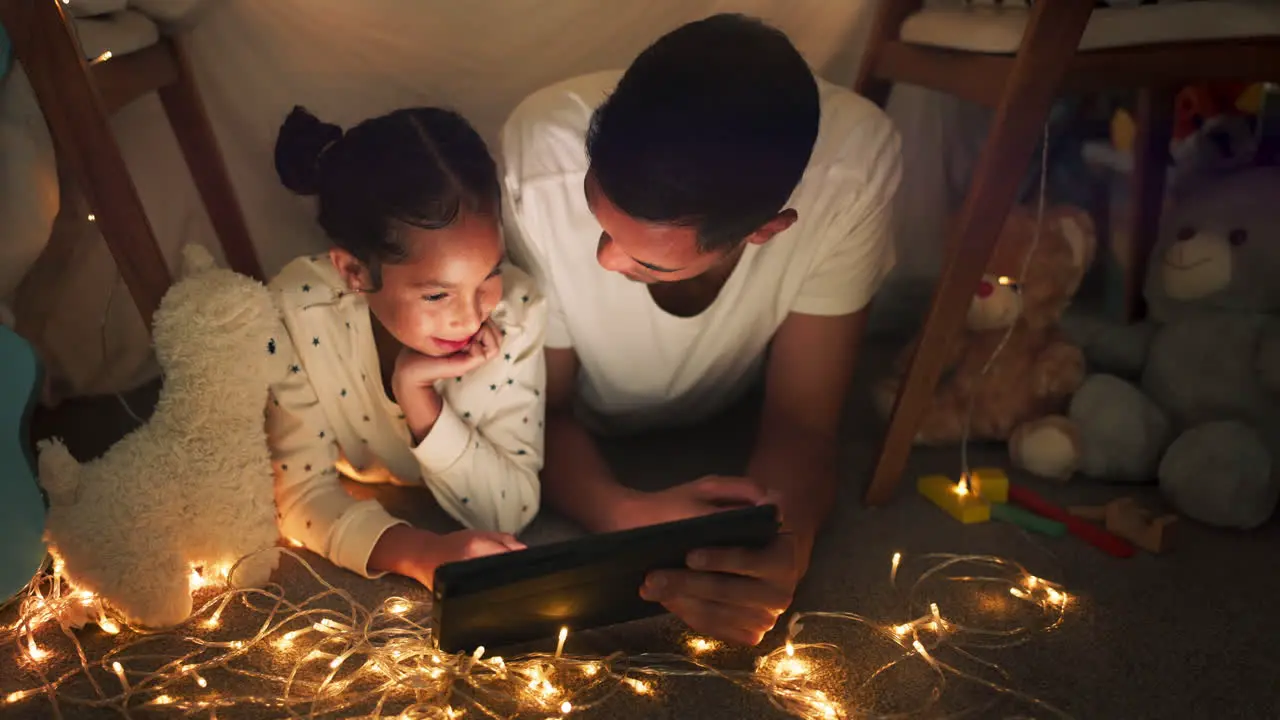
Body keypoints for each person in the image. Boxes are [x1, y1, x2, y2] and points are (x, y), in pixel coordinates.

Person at [501, 14, 902, 646]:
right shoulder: (542, 155)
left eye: (650, 259)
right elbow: (532, 413)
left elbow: (804, 421)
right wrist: (621, 513)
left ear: (764, 231)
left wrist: (783, 547)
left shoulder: (854, 169)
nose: (606, 259)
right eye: (598, 217)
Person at [267, 105, 546, 589]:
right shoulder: (296, 312)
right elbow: (301, 494)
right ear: (354, 271)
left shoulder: (515, 313)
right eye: (437, 294)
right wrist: (422, 553)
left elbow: (511, 508)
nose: (471, 313)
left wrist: (418, 395)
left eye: (490, 274)